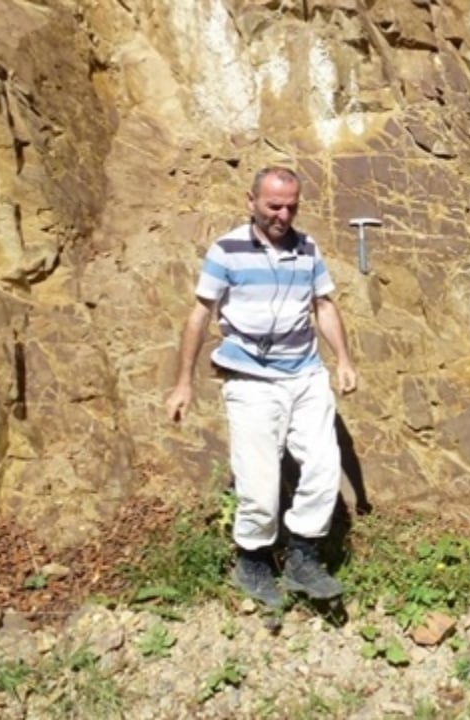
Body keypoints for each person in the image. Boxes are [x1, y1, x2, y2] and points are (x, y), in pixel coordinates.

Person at [165, 166, 359, 607]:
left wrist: (344, 360)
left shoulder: (307, 248)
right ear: (250, 201)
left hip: (305, 374)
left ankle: (303, 557)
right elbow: (199, 315)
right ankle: (252, 561)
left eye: (291, 206)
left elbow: (323, 305)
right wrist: (183, 384)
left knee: (324, 467)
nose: (283, 215)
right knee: (259, 484)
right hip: (251, 379)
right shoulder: (227, 251)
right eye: (274, 205)